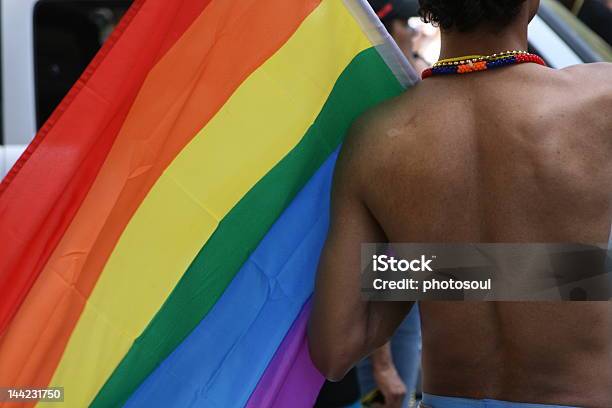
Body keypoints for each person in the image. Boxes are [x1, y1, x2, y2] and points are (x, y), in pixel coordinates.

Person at [308, 0, 612, 407]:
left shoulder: (375, 139)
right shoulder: (602, 100)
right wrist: (562, 274)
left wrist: (435, 265)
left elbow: (335, 348)